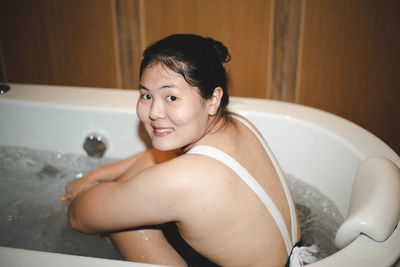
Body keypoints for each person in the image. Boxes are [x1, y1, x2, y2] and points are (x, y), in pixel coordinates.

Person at [61, 34, 313, 267]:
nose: (154, 113)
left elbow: (79, 216)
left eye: (171, 97)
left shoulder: (186, 178)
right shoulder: (239, 125)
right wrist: (97, 175)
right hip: (293, 256)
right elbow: (165, 159)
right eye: (146, 96)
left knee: (124, 223)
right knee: (144, 183)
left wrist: (91, 192)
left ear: (213, 99)